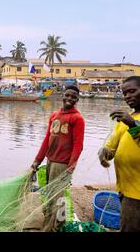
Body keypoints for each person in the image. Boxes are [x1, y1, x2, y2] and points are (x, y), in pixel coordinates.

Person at [30, 85, 85, 232]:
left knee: (57, 197)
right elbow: (47, 139)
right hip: (50, 161)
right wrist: (37, 160)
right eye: (67, 95)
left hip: (62, 164)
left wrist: (71, 166)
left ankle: (52, 228)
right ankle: (49, 223)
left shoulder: (77, 118)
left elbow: (78, 145)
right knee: (49, 195)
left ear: (77, 99)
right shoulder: (54, 115)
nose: (69, 99)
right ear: (63, 95)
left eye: (73, 97)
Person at [98, 76, 140, 232]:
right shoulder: (125, 119)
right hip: (125, 190)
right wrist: (104, 153)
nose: (128, 96)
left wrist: (133, 124)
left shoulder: (129, 120)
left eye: (132, 91)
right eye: (125, 93)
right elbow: (111, 149)